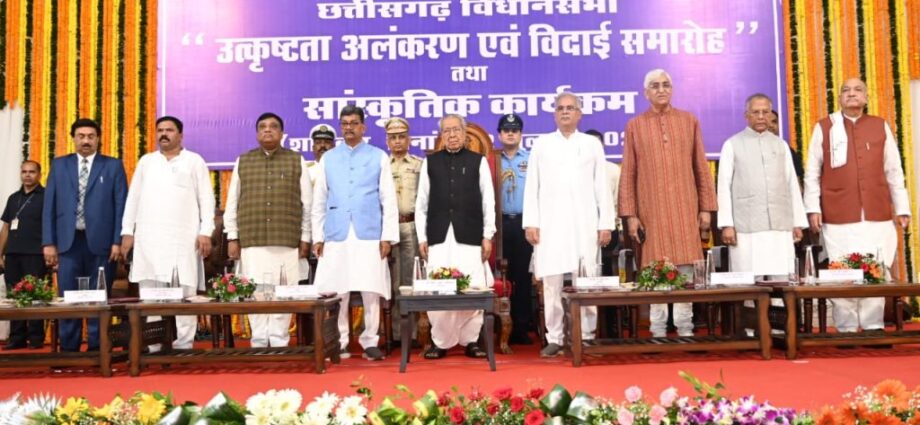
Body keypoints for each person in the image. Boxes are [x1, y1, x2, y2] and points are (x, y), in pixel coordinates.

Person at [803, 78, 911, 333]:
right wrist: (813, 208)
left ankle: (873, 325)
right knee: (842, 270)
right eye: (846, 90)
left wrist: (902, 208)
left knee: (875, 268)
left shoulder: (880, 126)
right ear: (839, 97)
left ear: (866, 97)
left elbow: (894, 170)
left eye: (858, 90)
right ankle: (847, 327)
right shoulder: (824, 127)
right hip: (838, 212)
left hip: (876, 212)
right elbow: (812, 172)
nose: (852, 94)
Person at [618, 69, 717, 338]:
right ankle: (658, 330)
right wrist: (630, 215)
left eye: (665, 85)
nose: (661, 90)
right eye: (655, 86)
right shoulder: (635, 125)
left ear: (672, 89)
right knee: (655, 269)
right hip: (651, 212)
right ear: (646, 93)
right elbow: (628, 173)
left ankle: (685, 329)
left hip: (685, 208)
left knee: (685, 267)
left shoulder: (689, 121)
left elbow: (700, 166)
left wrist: (705, 208)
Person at [523, 92, 615, 357]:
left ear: (579, 113)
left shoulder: (591, 144)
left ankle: (586, 336)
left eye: (570, 108)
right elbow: (532, 186)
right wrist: (531, 223)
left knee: (585, 279)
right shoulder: (542, 144)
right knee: (552, 281)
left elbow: (602, 186)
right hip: (550, 224)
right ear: (554, 114)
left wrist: (605, 224)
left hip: (585, 223)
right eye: (560, 108)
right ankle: (555, 337)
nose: (565, 112)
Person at [121, 116, 215, 349]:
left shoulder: (194, 161)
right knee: (151, 296)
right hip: (149, 240)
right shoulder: (147, 162)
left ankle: (184, 346)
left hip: (183, 240)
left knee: (184, 293)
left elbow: (206, 199)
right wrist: (127, 231)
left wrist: (206, 231)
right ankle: (154, 346)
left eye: (169, 130)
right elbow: (133, 199)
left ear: (180, 135)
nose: (164, 134)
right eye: (160, 130)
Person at [312, 105, 397, 361]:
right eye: (345, 124)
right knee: (338, 290)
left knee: (371, 288)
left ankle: (370, 340)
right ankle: (340, 341)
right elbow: (319, 200)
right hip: (336, 232)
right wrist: (318, 236)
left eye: (353, 123)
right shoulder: (328, 159)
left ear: (363, 127)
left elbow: (388, 199)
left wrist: (387, 236)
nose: (349, 128)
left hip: (369, 232)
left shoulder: (378, 156)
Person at [224, 112, 312, 348]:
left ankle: (280, 339)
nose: (268, 130)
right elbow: (233, 202)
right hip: (252, 237)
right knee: (256, 289)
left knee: (283, 289)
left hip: (286, 238)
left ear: (282, 133)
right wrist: (232, 237)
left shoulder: (296, 160)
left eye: (273, 126)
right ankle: (259, 340)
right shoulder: (244, 160)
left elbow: (307, 203)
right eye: (262, 126)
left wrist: (305, 237)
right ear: (256, 133)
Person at [43, 118, 128, 352]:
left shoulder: (112, 166)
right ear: (73, 139)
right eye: (81, 136)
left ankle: (97, 349)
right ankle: (69, 350)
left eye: (91, 136)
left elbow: (121, 206)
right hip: (68, 242)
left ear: (98, 139)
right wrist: (49, 242)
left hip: (102, 244)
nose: (86, 141)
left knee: (98, 298)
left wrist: (117, 241)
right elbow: (49, 206)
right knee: (68, 297)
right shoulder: (59, 165)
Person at [416, 114, 496, 359]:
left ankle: (471, 341)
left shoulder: (478, 162)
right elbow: (421, 204)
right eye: (447, 131)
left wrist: (488, 234)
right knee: (438, 287)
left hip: (470, 234)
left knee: (472, 287)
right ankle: (440, 342)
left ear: (464, 133)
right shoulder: (430, 162)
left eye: (456, 130)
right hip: (438, 236)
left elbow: (488, 201)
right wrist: (422, 237)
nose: (452, 135)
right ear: (441, 135)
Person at [717, 94, 806, 277]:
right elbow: (723, 187)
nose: (760, 116)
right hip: (746, 227)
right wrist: (726, 224)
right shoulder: (732, 145)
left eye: (765, 112)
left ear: (770, 115)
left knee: (783, 279)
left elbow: (792, 184)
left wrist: (797, 223)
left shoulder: (781, 145)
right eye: (755, 112)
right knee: (748, 282)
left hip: (780, 225)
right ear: (746, 115)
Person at [1, 160, 47, 350]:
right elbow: (5, 227)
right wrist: (0, 253)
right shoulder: (13, 198)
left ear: (39, 174)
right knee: (14, 296)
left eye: (32, 172)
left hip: (35, 254)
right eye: (24, 172)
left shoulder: (46, 197)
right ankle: (17, 337)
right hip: (13, 254)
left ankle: (36, 338)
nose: (27, 175)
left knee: (35, 295)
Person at [384, 117, 422, 342]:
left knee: (411, 280)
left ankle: (415, 333)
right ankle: (395, 334)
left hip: (412, 226)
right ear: (387, 141)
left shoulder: (419, 165)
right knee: (391, 282)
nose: (397, 141)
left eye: (401, 137)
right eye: (393, 137)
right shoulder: (381, 165)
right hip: (388, 228)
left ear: (409, 139)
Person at [498, 113, 534, 345]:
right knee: (501, 276)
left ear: (521, 134)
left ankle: (521, 327)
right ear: (499, 134)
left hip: (524, 224)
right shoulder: (491, 159)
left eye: (515, 130)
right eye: (506, 130)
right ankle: (500, 327)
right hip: (499, 225)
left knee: (522, 276)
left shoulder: (531, 159)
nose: (510, 133)